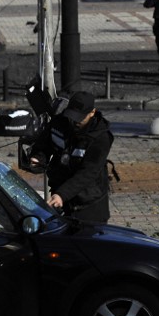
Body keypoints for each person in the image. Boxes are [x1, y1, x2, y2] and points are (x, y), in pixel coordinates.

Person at [29, 91, 113, 223]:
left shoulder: (100, 137)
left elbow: (88, 173)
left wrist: (62, 194)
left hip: (89, 203)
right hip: (60, 197)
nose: (75, 121)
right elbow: (43, 144)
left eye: (80, 118)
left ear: (92, 113)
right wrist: (39, 157)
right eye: (72, 116)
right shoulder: (59, 123)